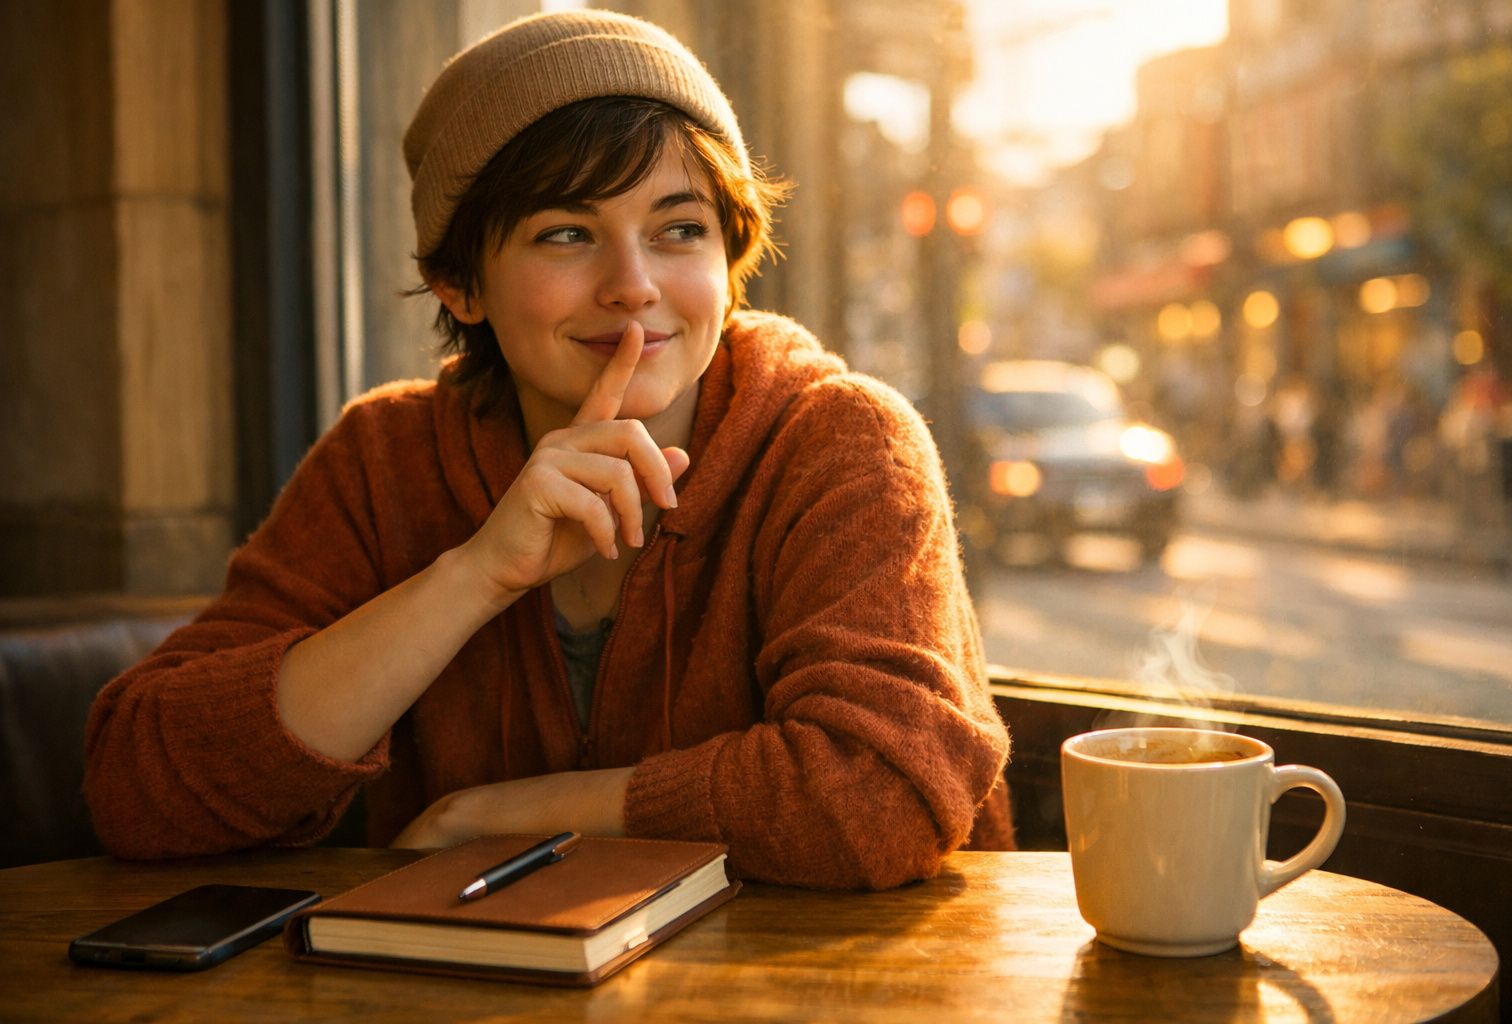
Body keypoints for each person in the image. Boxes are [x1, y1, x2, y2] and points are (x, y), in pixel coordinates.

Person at [83, 10, 1013, 890]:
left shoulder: (837, 440)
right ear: (459, 283)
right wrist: (475, 576)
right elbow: (141, 786)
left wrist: (492, 817)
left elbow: (881, 795)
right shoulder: (386, 459)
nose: (634, 286)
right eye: (567, 234)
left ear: (730, 259)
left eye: (678, 230)